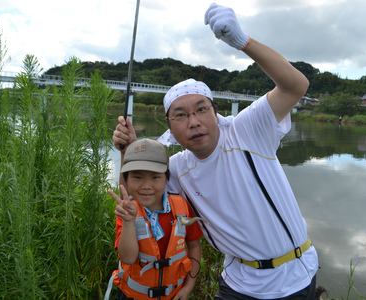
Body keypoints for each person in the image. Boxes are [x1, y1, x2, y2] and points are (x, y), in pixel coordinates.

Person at [112, 3, 319, 300]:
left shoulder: (247, 129)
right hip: (237, 283)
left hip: (295, 277)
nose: (194, 122)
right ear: (170, 127)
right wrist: (131, 150)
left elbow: (295, 86)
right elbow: (135, 192)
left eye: (201, 109)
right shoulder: (178, 168)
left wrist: (242, 41)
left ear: (215, 112)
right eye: (181, 115)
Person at [106, 138, 202, 300]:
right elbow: (128, 259)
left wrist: (188, 286)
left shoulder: (181, 207)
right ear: (127, 179)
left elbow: (194, 246)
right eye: (137, 177)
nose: (146, 186)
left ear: (166, 178)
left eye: (155, 177)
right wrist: (129, 222)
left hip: (174, 294)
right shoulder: (127, 212)